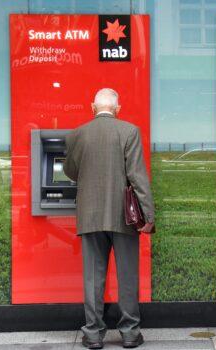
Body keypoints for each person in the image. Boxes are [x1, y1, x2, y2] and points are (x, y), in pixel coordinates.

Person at [64, 88, 155, 349]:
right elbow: (137, 176)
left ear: (93, 107)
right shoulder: (129, 131)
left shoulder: (77, 134)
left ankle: (93, 333)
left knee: (93, 276)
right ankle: (129, 333)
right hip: (123, 215)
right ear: (118, 108)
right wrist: (148, 214)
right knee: (127, 275)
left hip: (89, 214)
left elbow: (70, 171)